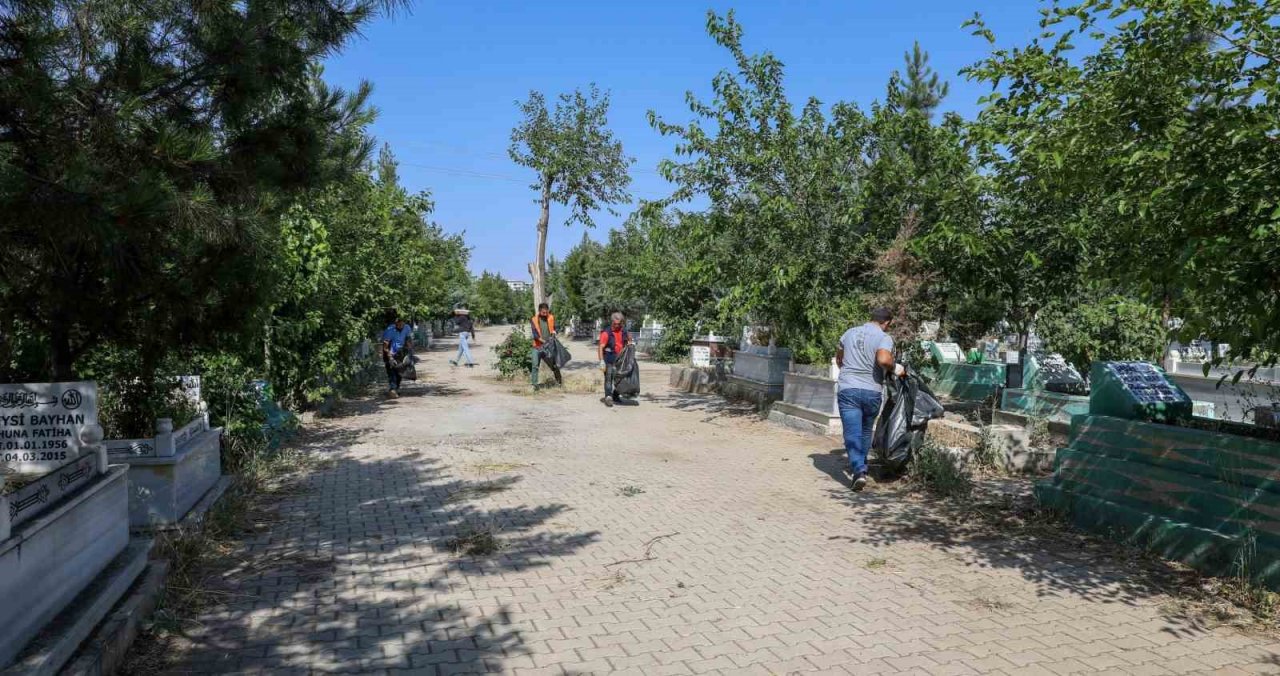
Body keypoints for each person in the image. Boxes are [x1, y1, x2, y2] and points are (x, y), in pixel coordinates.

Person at [836, 307, 904, 491]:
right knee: (866, 431)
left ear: (871, 318)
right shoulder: (884, 337)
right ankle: (861, 469)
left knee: (852, 432)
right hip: (872, 390)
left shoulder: (849, 333)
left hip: (848, 389)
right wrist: (895, 367)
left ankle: (859, 470)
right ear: (887, 322)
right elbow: (883, 359)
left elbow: (839, 359)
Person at [597, 312, 633, 407]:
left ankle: (616, 395)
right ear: (612, 322)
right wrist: (601, 361)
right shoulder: (606, 333)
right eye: (615, 324)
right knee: (609, 378)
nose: (617, 326)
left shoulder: (624, 331)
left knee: (621, 379)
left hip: (621, 360)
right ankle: (608, 397)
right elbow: (600, 347)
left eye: (619, 323)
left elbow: (628, 343)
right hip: (609, 359)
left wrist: (630, 341)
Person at [381, 312, 414, 398]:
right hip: (389, 352)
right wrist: (390, 357)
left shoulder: (407, 328)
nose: (400, 325)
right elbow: (385, 346)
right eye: (398, 323)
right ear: (395, 323)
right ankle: (392, 389)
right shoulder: (390, 330)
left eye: (402, 323)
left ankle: (395, 388)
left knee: (400, 371)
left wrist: (410, 352)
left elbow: (408, 340)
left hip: (401, 352)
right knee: (391, 371)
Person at [530, 302, 562, 387]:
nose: (545, 314)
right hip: (537, 347)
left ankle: (559, 383)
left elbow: (556, 328)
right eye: (543, 312)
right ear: (539, 311)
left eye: (546, 312)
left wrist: (555, 332)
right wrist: (546, 342)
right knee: (535, 366)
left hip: (548, 348)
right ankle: (534, 385)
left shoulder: (551, 317)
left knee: (554, 365)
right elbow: (535, 335)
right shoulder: (533, 319)